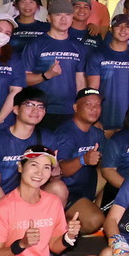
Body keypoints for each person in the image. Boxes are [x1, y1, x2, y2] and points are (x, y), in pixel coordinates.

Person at [48, 87, 110, 235]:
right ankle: (57, 228)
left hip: (86, 186)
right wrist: (83, 159)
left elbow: (109, 160)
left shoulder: (96, 133)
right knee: (94, 221)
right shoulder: (65, 133)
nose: (94, 109)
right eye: (88, 104)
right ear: (76, 108)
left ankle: (92, 207)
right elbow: (61, 170)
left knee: (111, 171)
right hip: (67, 190)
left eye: (98, 104)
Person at [19, 7, 89, 130]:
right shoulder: (35, 45)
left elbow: (80, 81)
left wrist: (80, 106)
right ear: (49, 18)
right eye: (58, 14)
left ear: (72, 18)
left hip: (69, 110)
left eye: (67, 14)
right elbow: (23, 79)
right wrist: (46, 75)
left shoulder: (79, 47)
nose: (63, 19)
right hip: (40, 109)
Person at [0, 88, 47, 210]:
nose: (35, 111)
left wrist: (56, 170)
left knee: (58, 187)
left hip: (26, 199)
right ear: (16, 109)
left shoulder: (46, 138)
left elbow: (51, 177)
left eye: (40, 107)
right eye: (29, 105)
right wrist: (12, 214)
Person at [87, 14, 129, 134]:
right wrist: (94, 118)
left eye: (127, 26)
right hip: (103, 117)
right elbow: (92, 90)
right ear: (111, 29)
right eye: (118, 26)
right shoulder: (97, 55)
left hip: (128, 118)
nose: (123, 30)